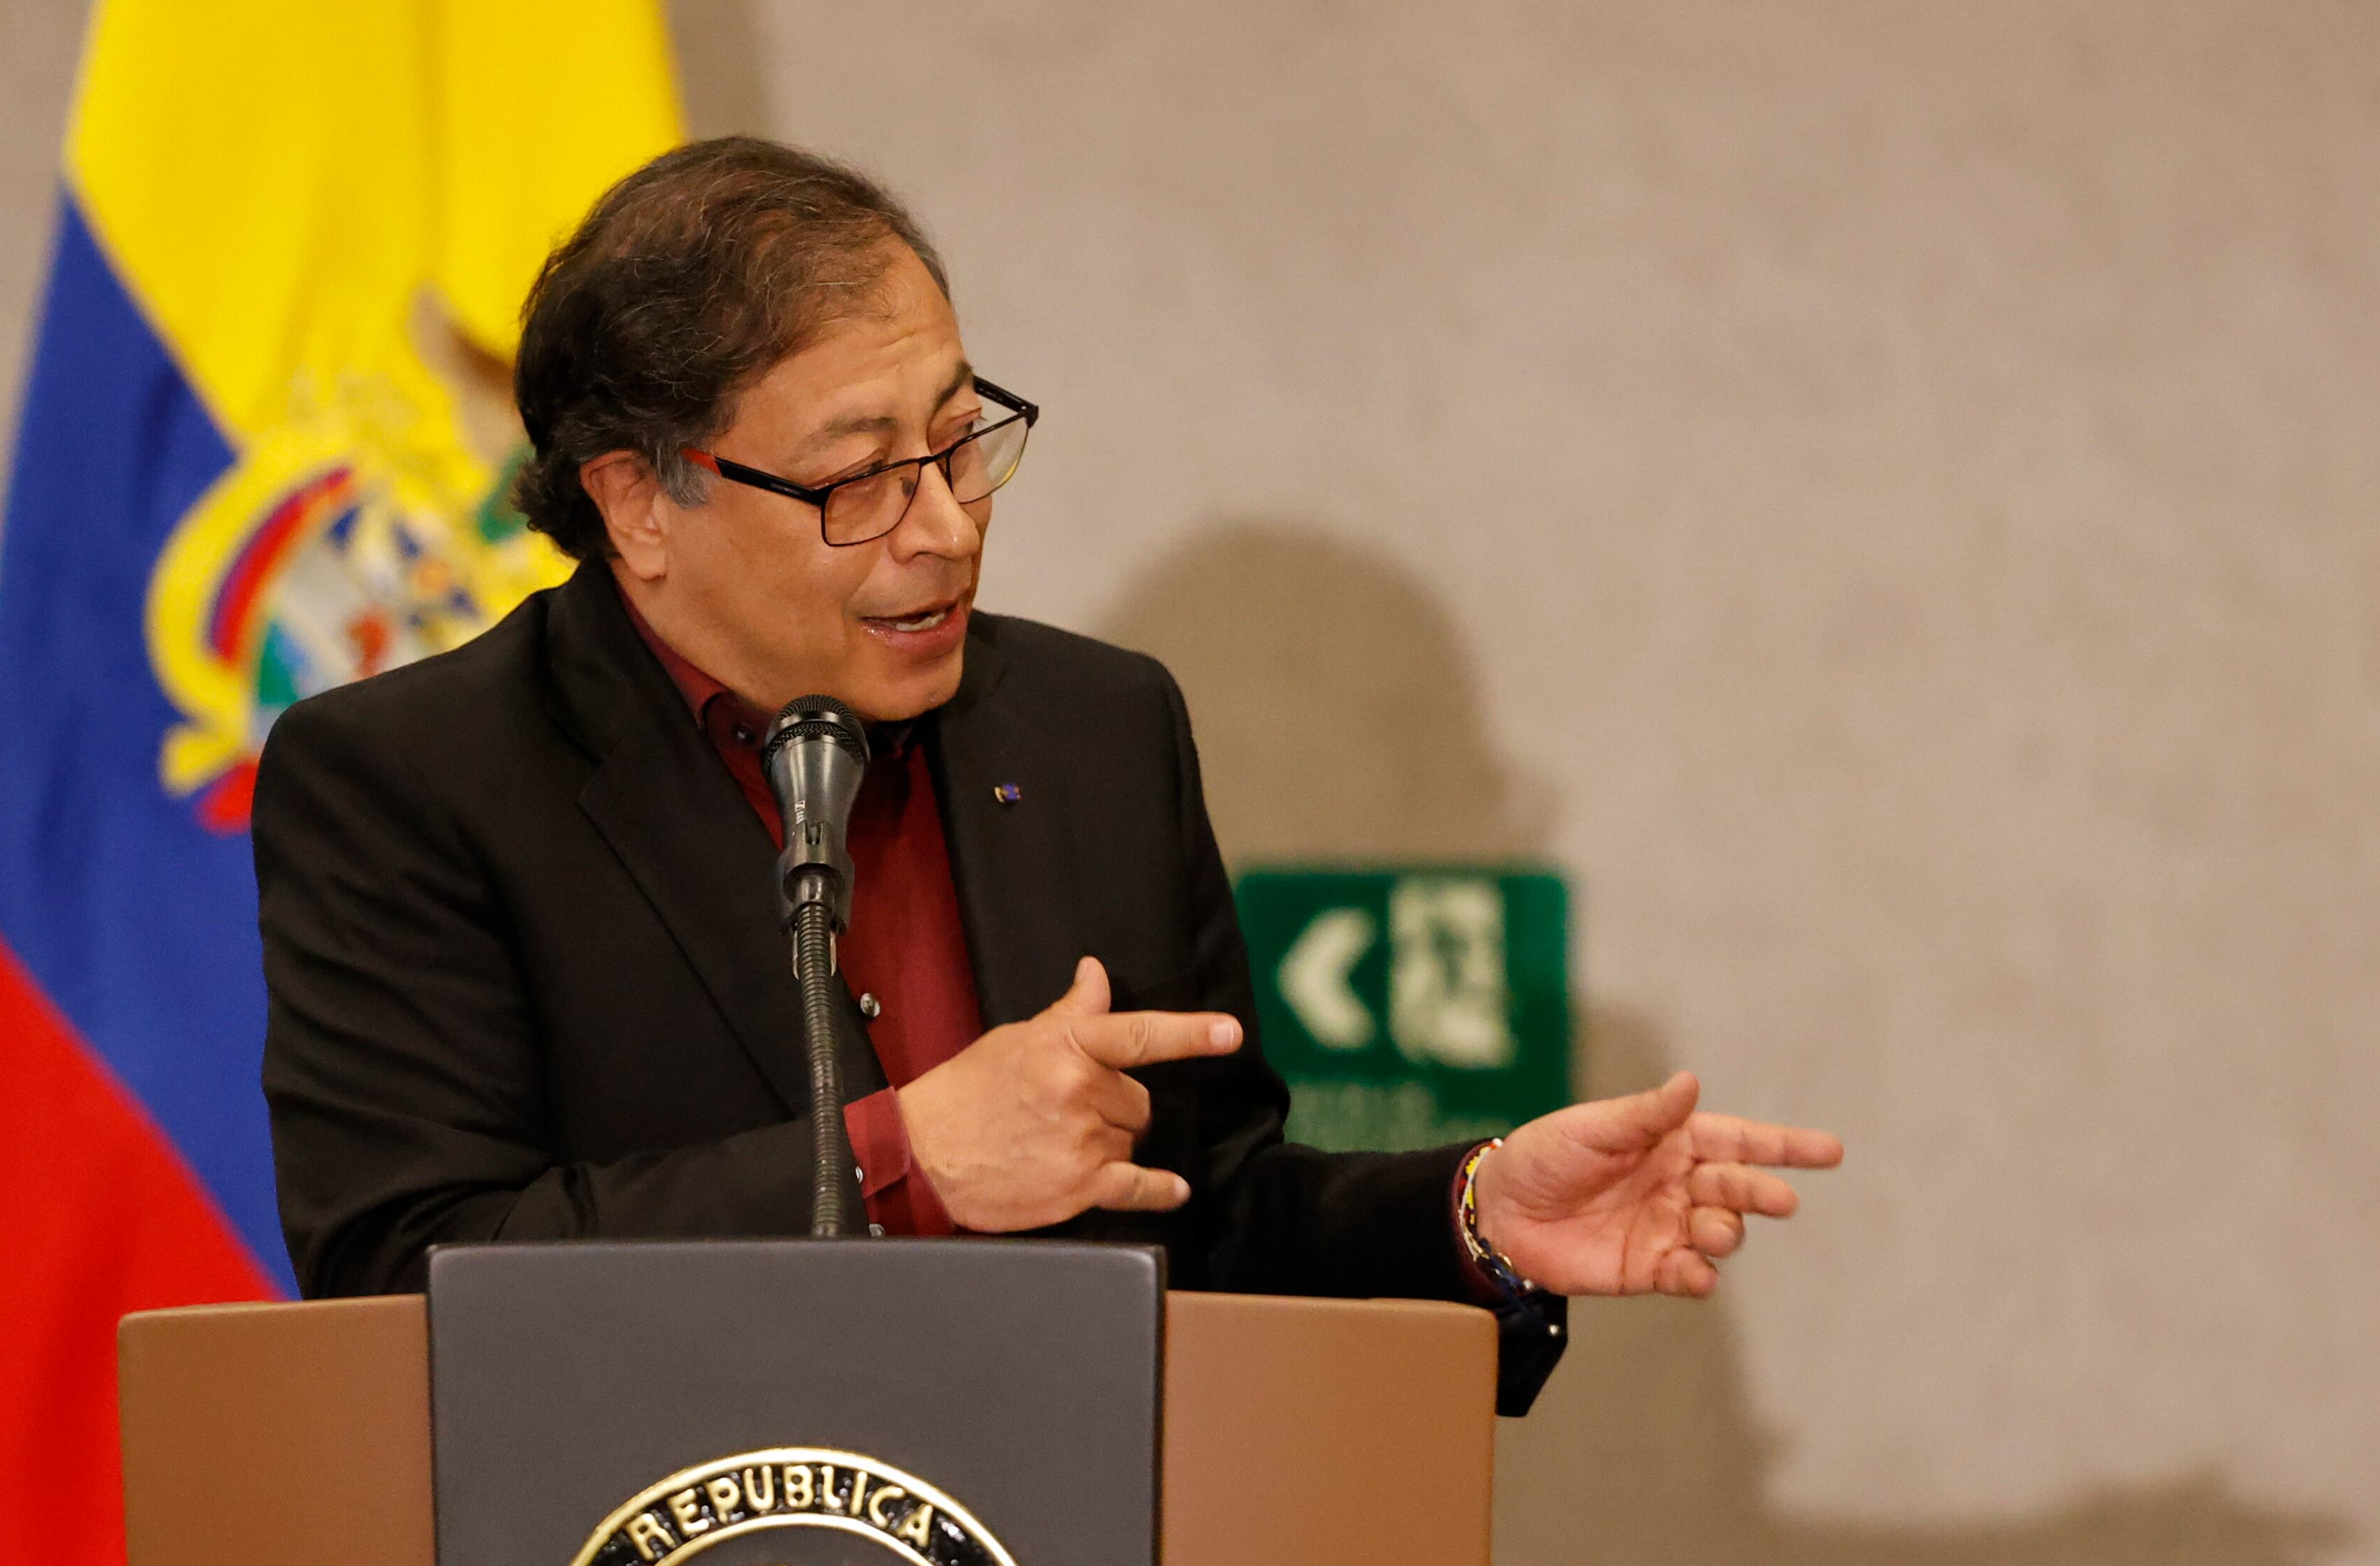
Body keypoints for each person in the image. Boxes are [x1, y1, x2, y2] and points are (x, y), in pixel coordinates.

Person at [252, 137, 1840, 1414]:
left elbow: (1202, 1215)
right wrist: (902, 1162)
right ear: (639, 503)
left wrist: (1470, 1215)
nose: (945, 522)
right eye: (861, 478)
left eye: (958, 439)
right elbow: (411, 1279)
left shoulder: (1091, 729)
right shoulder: (414, 783)